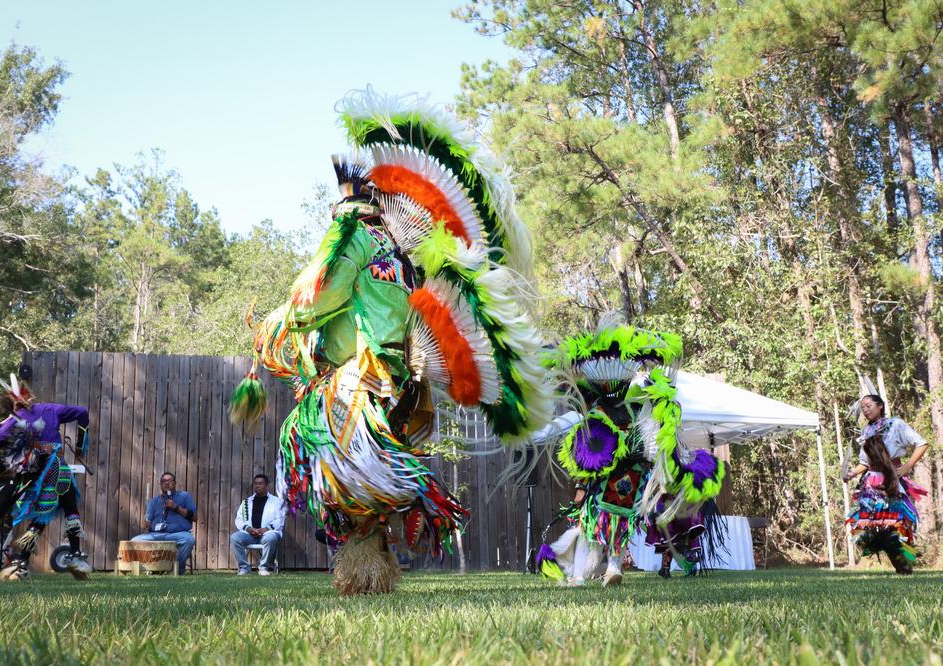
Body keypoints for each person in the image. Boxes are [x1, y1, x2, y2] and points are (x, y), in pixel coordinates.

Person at [228, 88, 554, 595]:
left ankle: (402, 512)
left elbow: (316, 295)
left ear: (349, 205)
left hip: (357, 380)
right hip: (404, 383)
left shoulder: (353, 238)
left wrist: (277, 325)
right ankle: (375, 562)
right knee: (361, 491)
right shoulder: (405, 257)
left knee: (343, 480)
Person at [535, 315, 726, 586]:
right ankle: (579, 574)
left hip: (630, 481)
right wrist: (583, 482)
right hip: (605, 481)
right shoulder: (595, 406)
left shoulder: (635, 406)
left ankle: (612, 569)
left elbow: (651, 438)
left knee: (618, 527)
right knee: (593, 528)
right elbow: (589, 447)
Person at [0, 373, 93, 582]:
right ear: (28, 397)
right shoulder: (49, 409)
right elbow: (82, 412)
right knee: (69, 504)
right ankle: (74, 555)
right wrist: (82, 444)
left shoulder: (11, 424)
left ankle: (21, 562)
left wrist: (1, 468)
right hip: (56, 468)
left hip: (33, 476)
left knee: (43, 513)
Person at [843, 395, 930, 573]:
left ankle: (904, 564)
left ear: (880, 406)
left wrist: (907, 466)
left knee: (894, 526)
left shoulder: (895, 425)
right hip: (872, 485)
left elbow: (921, 444)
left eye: (869, 406)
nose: (865, 410)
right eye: (863, 408)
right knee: (871, 530)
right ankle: (902, 564)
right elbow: (865, 463)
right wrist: (852, 473)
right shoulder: (866, 432)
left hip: (892, 480)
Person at [131, 472, 197, 575]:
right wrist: (147, 524)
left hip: (178, 534)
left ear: (175, 484)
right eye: (164, 481)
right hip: (156, 535)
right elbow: (148, 519)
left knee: (189, 539)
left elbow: (195, 517)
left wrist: (176, 507)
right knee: (134, 541)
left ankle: (176, 569)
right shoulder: (153, 502)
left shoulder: (185, 496)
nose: (167, 483)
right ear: (160, 485)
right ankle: (155, 567)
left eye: (170, 481)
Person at [230, 474, 286, 576]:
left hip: (267, 534)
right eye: (255, 484)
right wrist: (249, 529)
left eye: (260, 483)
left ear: (266, 486)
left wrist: (265, 529)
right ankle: (244, 568)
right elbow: (239, 519)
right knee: (234, 538)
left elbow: (280, 520)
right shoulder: (246, 502)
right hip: (250, 535)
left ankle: (263, 568)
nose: (257, 486)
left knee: (271, 537)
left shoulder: (276, 502)